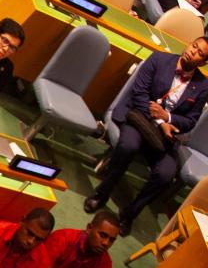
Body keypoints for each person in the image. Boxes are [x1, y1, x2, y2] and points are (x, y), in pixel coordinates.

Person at [84, 38, 208, 232]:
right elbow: (139, 94)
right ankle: (102, 193)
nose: (193, 52)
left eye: (200, 53)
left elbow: (190, 121)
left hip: (164, 136)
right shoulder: (159, 59)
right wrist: (160, 121)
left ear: (203, 62)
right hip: (138, 119)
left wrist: (168, 117)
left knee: (166, 174)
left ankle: (130, 213)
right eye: (194, 46)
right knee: (127, 146)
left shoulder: (202, 86)